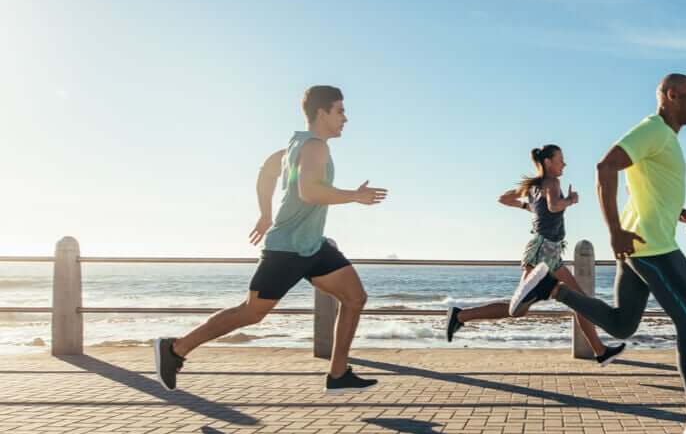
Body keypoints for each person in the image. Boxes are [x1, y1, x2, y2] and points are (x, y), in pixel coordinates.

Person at [507, 74, 686, 434]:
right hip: (652, 247)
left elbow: (650, 186)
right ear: (671, 95)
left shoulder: (664, 137)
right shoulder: (653, 130)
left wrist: (675, 210)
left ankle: (551, 290)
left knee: (622, 325)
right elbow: (605, 168)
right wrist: (615, 230)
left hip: (642, 242)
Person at [153, 85, 388, 393]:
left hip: (312, 246)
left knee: (355, 297)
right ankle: (175, 349)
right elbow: (309, 191)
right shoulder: (315, 146)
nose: (345, 118)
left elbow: (267, 171)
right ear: (322, 113)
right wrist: (355, 196)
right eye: (340, 111)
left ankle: (338, 373)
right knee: (251, 312)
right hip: (288, 249)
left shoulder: (295, 145)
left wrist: (265, 214)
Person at [445, 145, 626, 366]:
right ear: (548, 162)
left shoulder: (534, 186)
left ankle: (600, 351)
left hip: (552, 252)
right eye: (560, 160)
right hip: (542, 252)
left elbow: (504, 199)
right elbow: (554, 206)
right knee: (517, 310)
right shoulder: (552, 182)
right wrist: (570, 200)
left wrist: (530, 206)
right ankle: (460, 316)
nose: (564, 164)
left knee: (580, 302)